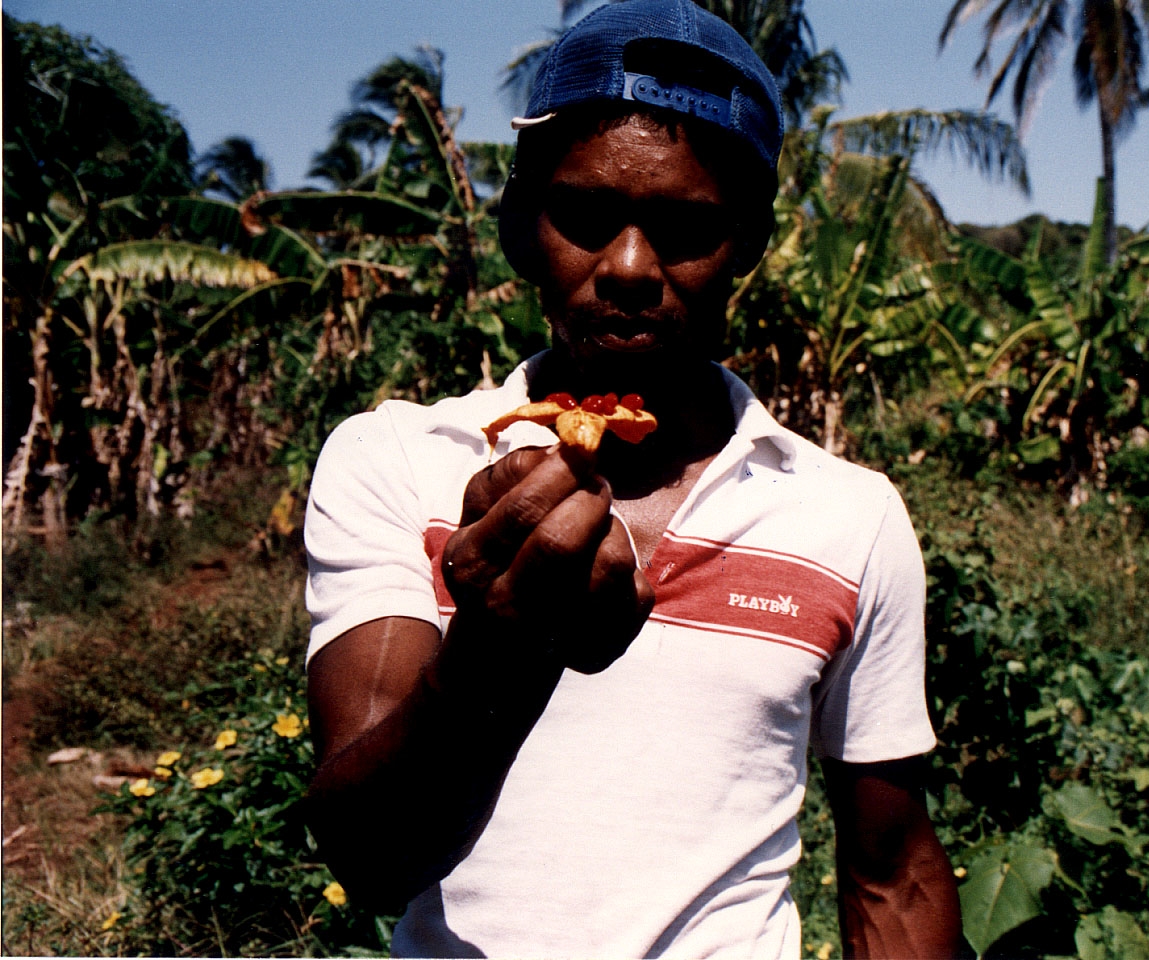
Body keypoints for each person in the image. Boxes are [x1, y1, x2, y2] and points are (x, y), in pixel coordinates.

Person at [303, 1, 964, 956]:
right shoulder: (402, 463)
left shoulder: (847, 518)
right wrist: (499, 649)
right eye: (583, 214)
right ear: (518, 224)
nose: (626, 267)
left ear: (750, 244)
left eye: (686, 228)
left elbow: (892, 875)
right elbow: (371, 861)